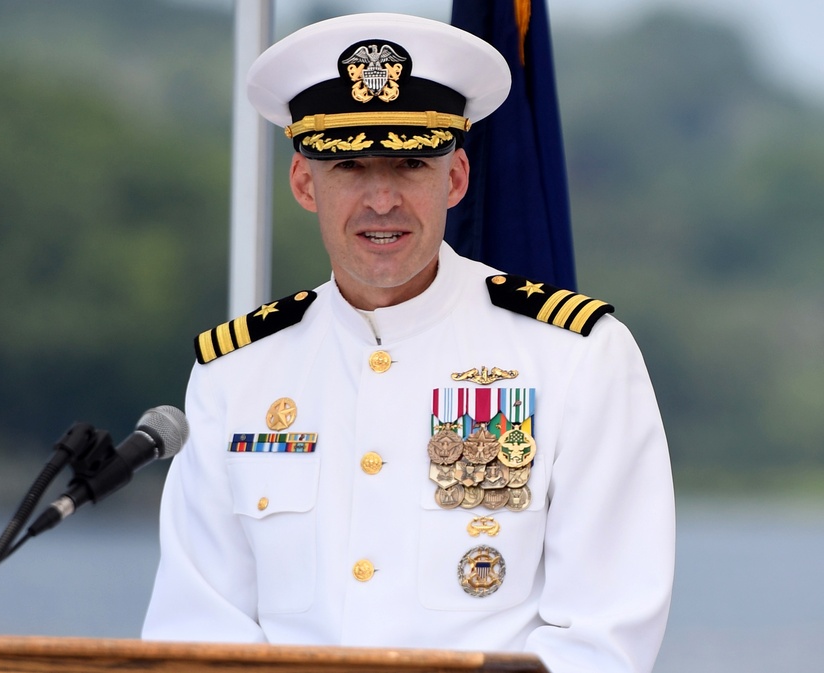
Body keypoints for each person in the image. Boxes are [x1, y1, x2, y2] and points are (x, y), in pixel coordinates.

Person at [141, 12, 675, 673]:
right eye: (351, 167)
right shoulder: (237, 371)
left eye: (409, 163)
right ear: (305, 184)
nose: (383, 199)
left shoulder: (576, 356)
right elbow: (197, 630)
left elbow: (602, 639)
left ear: (454, 179)